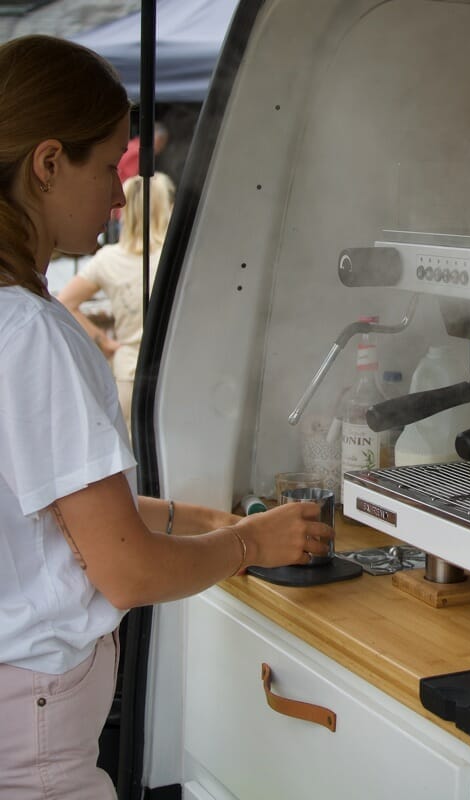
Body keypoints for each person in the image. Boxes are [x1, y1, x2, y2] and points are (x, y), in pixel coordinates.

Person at [0, 35, 333, 800]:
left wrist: (191, 517)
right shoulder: (34, 336)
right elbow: (125, 570)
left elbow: (52, 513)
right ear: (48, 163)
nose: (121, 197)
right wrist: (249, 540)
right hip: (37, 740)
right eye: (109, 166)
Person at [58, 171, 175, 437]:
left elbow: (65, 301)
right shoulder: (180, 258)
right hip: (176, 369)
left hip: (129, 373)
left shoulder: (107, 259)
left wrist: (105, 343)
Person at [106, 121, 169, 242]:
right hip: (127, 208)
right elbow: (134, 183)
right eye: (161, 143)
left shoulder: (131, 146)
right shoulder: (138, 152)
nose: (161, 148)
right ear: (155, 138)